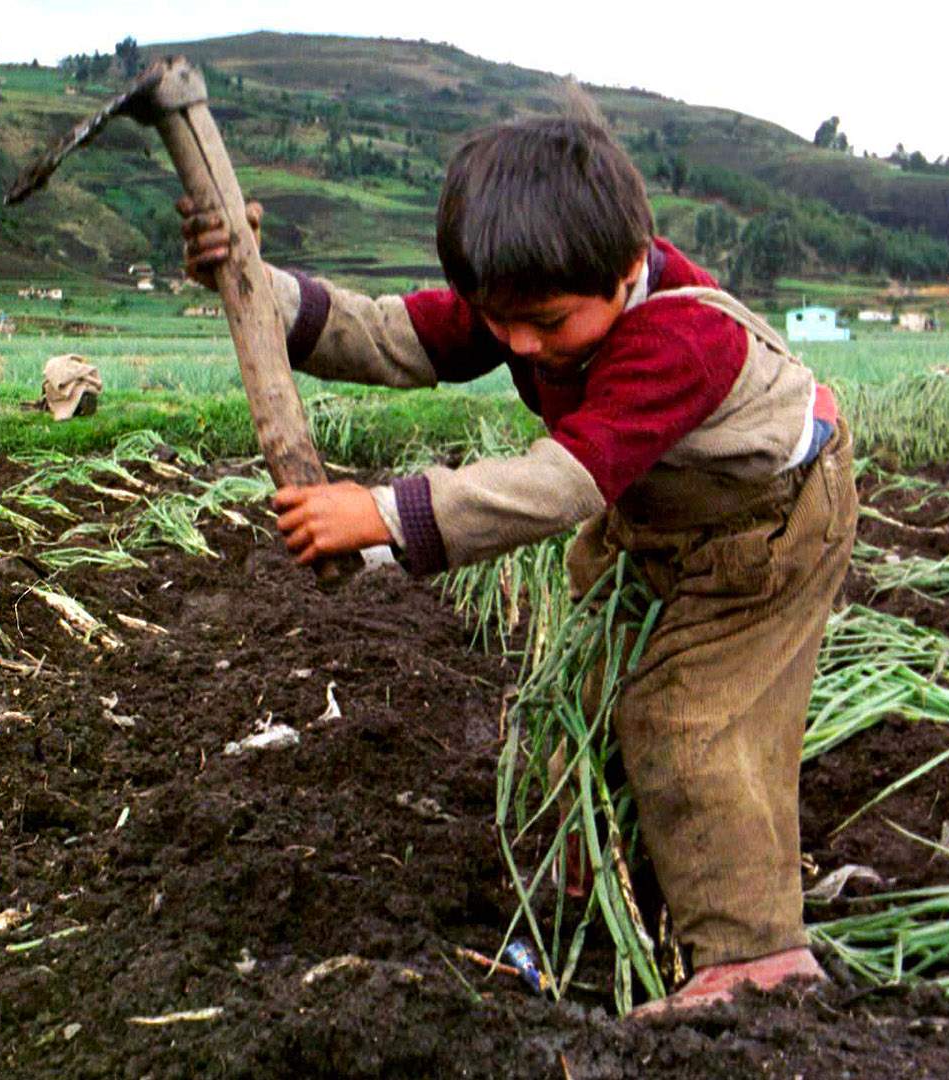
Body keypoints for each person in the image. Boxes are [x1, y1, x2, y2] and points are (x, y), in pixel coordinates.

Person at [178, 106, 855, 1016]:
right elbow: (388, 334)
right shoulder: (527, 294)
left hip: (766, 528)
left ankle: (757, 961)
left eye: (544, 324)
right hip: (656, 513)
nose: (522, 346)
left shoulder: (682, 339)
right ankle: (613, 863)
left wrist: (380, 515)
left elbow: (560, 484)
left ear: (626, 272)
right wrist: (257, 286)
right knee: (587, 693)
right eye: (501, 323)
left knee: (688, 717)